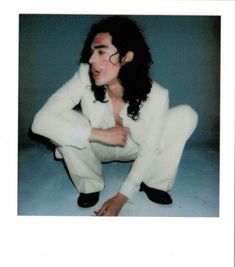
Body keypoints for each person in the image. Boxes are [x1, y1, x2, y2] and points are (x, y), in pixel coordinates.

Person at [31, 15, 198, 216]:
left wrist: (121, 198)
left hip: (137, 148)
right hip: (96, 147)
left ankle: (154, 182)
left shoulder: (157, 95)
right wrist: (98, 134)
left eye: (101, 52)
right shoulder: (85, 75)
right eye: (92, 52)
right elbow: (40, 122)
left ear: (127, 57)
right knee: (64, 118)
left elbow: (149, 148)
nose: (91, 60)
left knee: (186, 115)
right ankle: (89, 184)